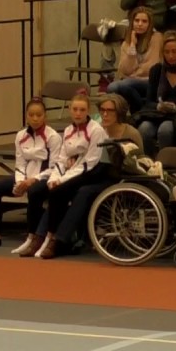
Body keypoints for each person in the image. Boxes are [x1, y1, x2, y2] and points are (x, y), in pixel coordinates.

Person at [0, 98, 60, 251]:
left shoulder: (53, 137)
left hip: (44, 178)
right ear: (26, 116)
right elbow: (20, 163)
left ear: (45, 116)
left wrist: (32, 181)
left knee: (34, 191)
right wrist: (19, 183)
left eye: (39, 115)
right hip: (24, 177)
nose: (35, 118)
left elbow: (55, 167)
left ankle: (32, 235)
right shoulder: (20, 136)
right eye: (31, 115)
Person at [34, 94, 108, 259]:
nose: (78, 113)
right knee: (47, 190)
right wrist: (54, 178)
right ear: (69, 110)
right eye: (75, 109)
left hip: (90, 173)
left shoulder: (96, 130)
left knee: (57, 192)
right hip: (71, 171)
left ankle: (53, 238)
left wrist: (61, 180)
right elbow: (61, 160)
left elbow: (89, 163)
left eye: (82, 110)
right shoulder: (67, 130)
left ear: (88, 111)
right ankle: (38, 236)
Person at [133, 32, 176, 156]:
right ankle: (149, 165)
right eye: (167, 52)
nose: (171, 56)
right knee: (144, 129)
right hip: (157, 113)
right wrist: (158, 106)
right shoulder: (156, 70)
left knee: (165, 130)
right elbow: (149, 101)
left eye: (175, 51)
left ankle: (166, 166)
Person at [106, 6, 163, 113]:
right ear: (132, 22)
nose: (140, 24)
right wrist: (132, 45)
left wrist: (134, 73)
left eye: (144, 21)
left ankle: (139, 113)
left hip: (149, 82)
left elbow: (152, 67)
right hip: (130, 82)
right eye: (137, 20)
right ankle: (139, 113)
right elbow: (125, 69)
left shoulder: (157, 38)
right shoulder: (126, 43)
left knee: (122, 86)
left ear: (149, 24)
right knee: (112, 88)